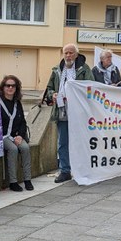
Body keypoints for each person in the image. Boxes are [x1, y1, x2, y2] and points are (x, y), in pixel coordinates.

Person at [44, 43, 94, 183]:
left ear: (76, 55)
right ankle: (65, 170)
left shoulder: (84, 69)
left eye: (71, 53)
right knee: (62, 143)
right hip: (61, 111)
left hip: (78, 112)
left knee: (79, 142)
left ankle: (81, 169)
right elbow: (48, 89)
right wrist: (53, 94)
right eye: (66, 53)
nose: (68, 55)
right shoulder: (56, 70)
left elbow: (91, 88)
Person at [0, 75, 33, 191]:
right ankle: (13, 182)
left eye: (13, 86)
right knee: (13, 149)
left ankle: (27, 179)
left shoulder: (17, 103)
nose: (10, 88)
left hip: (16, 136)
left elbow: (23, 122)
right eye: (7, 85)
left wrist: (20, 136)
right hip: (2, 136)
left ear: (16, 88)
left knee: (25, 148)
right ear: (3, 87)